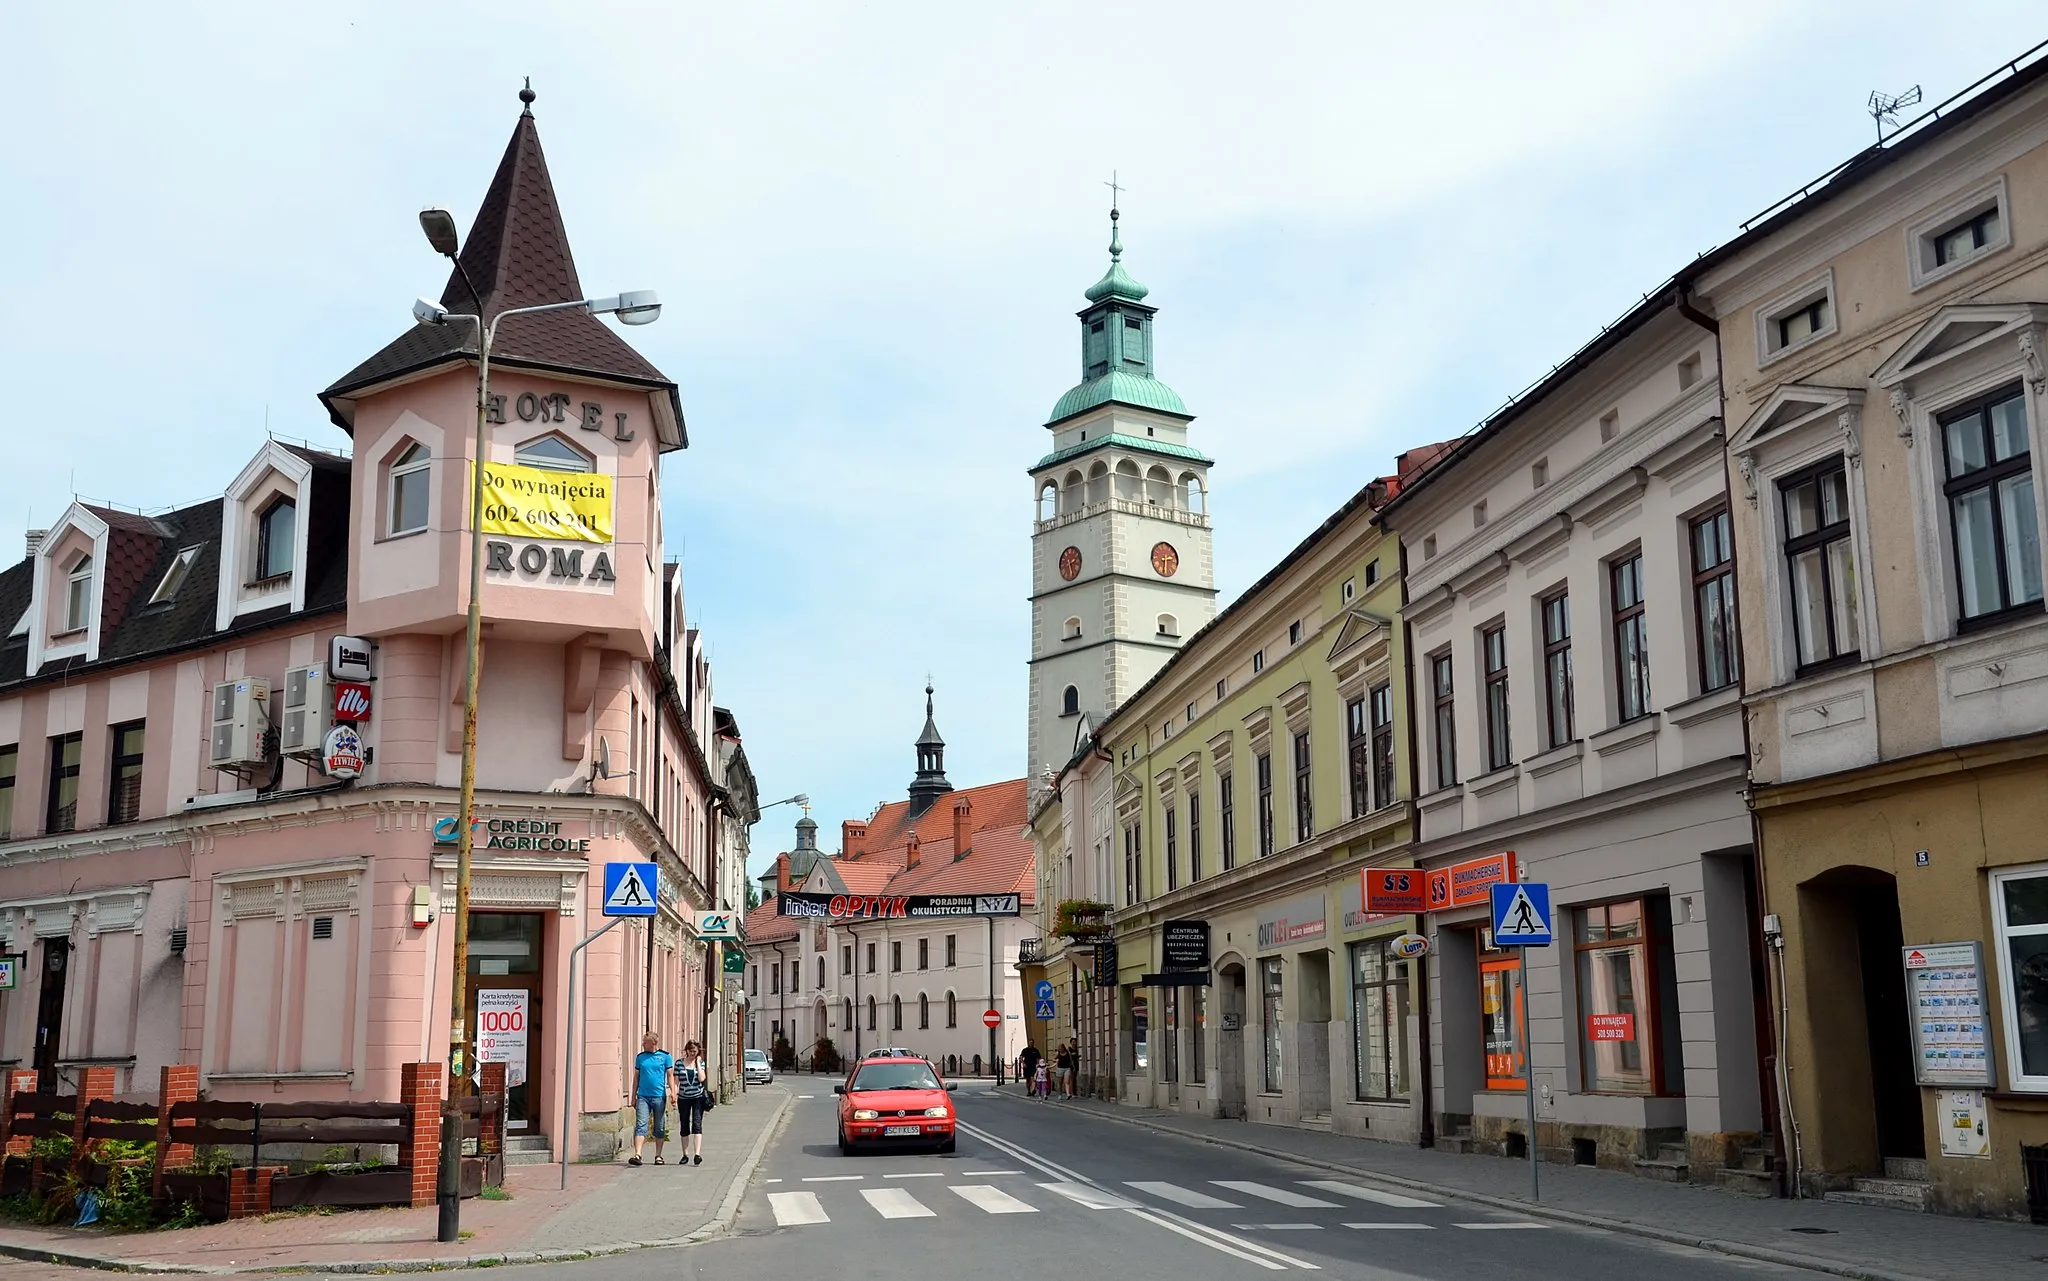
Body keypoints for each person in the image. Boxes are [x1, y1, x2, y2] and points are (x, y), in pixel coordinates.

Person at [629, 1032, 672, 1166]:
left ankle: (658, 1156)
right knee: (641, 1125)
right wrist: (633, 1096)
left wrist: (673, 1093)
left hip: (659, 1096)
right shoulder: (640, 1058)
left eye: (645, 1042)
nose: (643, 1044)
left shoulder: (665, 1056)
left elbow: (670, 1075)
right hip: (643, 1096)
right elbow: (636, 1078)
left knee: (659, 1127)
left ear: (653, 1043)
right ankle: (638, 1155)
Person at [675, 1039, 711, 1166]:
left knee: (697, 1124)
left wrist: (698, 1063)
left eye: (695, 1051)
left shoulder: (699, 1063)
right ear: (686, 1051)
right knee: (684, 1125)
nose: (692, 1054)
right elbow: (675, 1081)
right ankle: (685, 1154)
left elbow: (702, 1078)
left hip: (697, 1098)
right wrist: (673, 1095)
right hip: (683, 1098)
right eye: (690, 1051)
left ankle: (697, 1154)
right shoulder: (679, 1063)